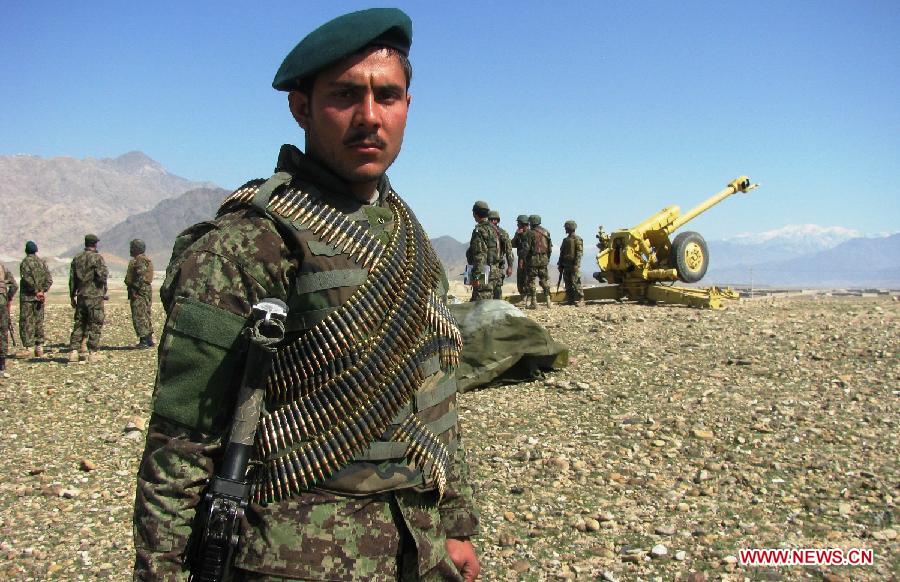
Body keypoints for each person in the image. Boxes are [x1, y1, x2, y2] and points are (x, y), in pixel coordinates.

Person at [133, 8, 480, 581]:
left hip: (417, 550)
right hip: (294, 558)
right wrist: (161, 571)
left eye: (387, 96)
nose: (370, 116)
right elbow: (181, 441)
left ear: (407, 108)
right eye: (346, 95)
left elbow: (435, 388)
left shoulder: (407, 233)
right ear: (301, 107)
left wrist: (454, 521)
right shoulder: (249, 242)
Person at [68, 234, 108, 363]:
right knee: (95, 324)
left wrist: (72, 295)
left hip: (81, 296)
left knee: (79, 323)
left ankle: (73, 352)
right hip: (95, 296)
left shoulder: (77, 258)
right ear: (95, 244)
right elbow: (102, 277)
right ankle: (92, 353)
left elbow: (72, 279)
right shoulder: (97, 258)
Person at [18, 240, 53, 358]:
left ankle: (28, 348)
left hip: (28, 297)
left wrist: (35, 291)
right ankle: (39, 347)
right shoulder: (42, 263)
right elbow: (49, 279)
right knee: (38, 321)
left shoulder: (25, 262)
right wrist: (42, 291)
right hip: (40, 298)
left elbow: (27, 278)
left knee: (27, 322)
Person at [124, 239, 155, 348]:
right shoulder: (142, 259)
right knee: (145, 313)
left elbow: (140, 276)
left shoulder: (140, 260)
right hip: (143, 290)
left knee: (139, 314)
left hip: (140, 291)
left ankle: (144, 340)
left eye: (132, 247)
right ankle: (149, 339)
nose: (130, 250)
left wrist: (134, 289)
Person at [465, 200, 498, 302]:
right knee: (487, 302)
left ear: (475, 213)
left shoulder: (479, 231)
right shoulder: (494, 229)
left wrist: (477, 278)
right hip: (493, 270)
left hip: (483, 272)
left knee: (481, 305)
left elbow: (480, 255)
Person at [524, 215, 553, 309]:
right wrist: (547, 258)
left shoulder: (529, 233)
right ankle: (548, 301)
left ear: (531, 222)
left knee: (531, 281)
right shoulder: (546, 232)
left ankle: (534, 302)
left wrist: (523, 257)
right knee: (544, 280)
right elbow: (550, 248)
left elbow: (527, 248)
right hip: (544, 259)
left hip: (532, 260)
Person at [557, 220, 585, 306]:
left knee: (576, 282)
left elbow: (579, 253)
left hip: (573, 265)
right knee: (567, 282)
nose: (565, 229)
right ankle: (570, 299)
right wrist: (560, 264)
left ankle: (581, 299)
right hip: (566, 264)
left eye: (566, 227)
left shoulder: (577, 239)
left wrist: (576, 264)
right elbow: (562, 253)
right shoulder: (565, 240)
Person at [487, 210, 513, 299]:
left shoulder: (502, 233)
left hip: (497, 266)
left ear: (496, 221)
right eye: (489, 220)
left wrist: (510, 266)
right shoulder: (484, 231)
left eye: (491, 220)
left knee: (497, 288)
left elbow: (509, 250)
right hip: (487, 266)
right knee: (486, 289)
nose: (490, 222)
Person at [0, 262, 18, 371]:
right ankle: (2, 361)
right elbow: (14, 285)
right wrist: (8, 298)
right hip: (2, 302)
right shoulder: (2, 267)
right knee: (3, 330)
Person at [510, 214, 530, 296]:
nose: (518, 225)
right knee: (520, 279)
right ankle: (523, 295)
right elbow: (512, 244)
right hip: (521, 259)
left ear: (523, 224)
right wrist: (517, 235)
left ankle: (526, 297)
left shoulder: (530, 234)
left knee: (527, 279)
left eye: (519, 223)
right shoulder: (519, 234)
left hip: (528, 260)